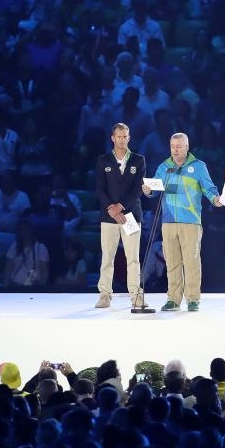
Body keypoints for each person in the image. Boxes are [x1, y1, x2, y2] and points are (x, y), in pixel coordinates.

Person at [142, 132, 222, 312]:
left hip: (191, 221)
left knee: (191, 261)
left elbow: (209, 188)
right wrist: (148, 190)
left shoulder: (198, 166)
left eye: (179, 147)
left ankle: (193, 299)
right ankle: (173, 299)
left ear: (187, 147)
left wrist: (215, 199)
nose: (175, 150)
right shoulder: (164, 167)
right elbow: (154, 189)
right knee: (172, 261)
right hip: (168, 221)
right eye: (172, 147)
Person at [95, 122, 148, 309]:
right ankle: (104, 295)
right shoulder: (103, 160)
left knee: (133, 257)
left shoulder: (138, 160)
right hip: (109, 215)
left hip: (131, 215)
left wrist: (121, 207)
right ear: (113, 138)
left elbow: (137, 189)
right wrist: (112, 207)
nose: (122, 139)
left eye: (125, 136)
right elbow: (99, 188)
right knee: (107, 255)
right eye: (119, 136)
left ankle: (135, 295)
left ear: (129, 137)